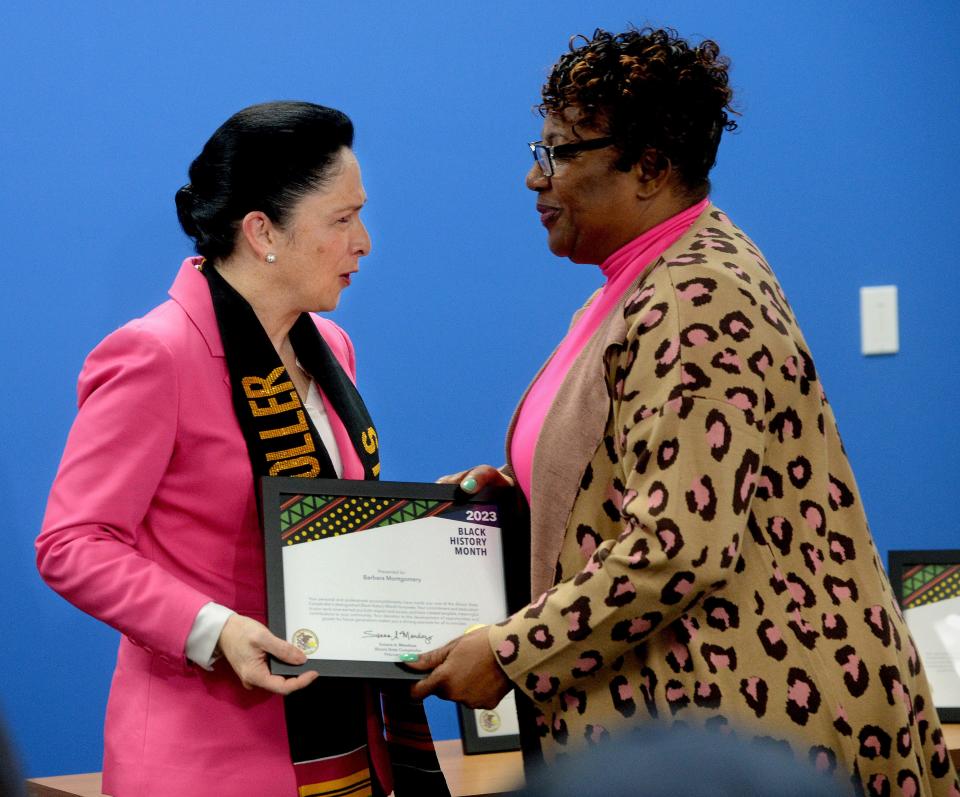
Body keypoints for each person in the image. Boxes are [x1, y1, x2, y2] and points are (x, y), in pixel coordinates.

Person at [409, 27, 960, 795]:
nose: (535, 178)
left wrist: (509, 653)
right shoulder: (637, 283)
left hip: (754, 723)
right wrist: (530, 499)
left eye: (559, 154)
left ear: (650, 168)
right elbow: (639, 470)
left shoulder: (697, 295)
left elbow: (676, 547)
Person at [36, 102, 448, 797]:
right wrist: (214, 628)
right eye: (343, 220)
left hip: (344, 739)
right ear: (263, 231)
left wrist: (452, 520)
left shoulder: (329, 346)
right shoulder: (156, 353)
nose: (366, 242)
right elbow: (72, 542)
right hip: (209, 753)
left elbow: (328, 520)